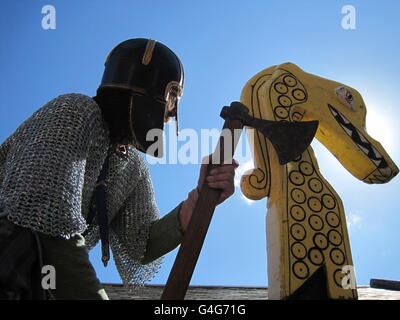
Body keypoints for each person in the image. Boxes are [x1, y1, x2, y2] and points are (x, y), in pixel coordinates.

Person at [0, 38, 237, 300]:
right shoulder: (75, 111)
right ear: (155, 90)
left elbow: (141, 244)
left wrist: (193, 207)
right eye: (172, 100)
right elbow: (43, 215)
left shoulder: (132, 166)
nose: (170, 117)